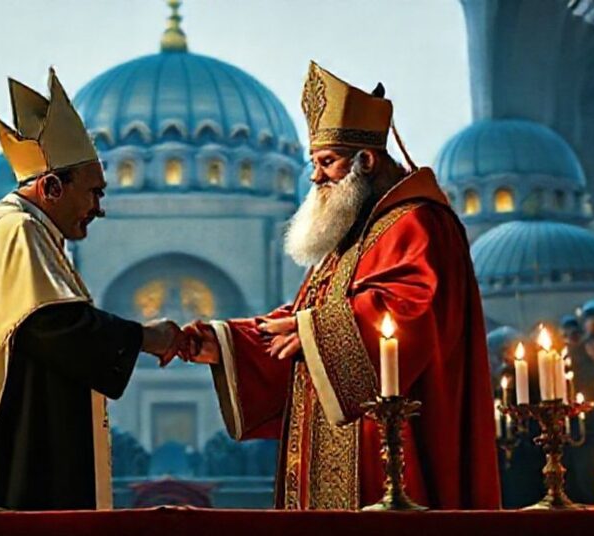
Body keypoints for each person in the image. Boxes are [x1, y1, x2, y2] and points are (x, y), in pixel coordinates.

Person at [177, 63, 500, 510]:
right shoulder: (351, 236)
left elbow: (410, 313)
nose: (315, 178)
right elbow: (302, 317)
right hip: (329, 436)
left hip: (387, 440)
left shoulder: (418, 222)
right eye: (313, 164)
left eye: (326, 163)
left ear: (365, 162)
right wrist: (228, 341)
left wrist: (313, 333)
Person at [0, 68, 185, 512]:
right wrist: (147, 338)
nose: (99, 209)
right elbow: (52, 325)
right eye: (93, 193)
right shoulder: (17, 230)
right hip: (12, 439)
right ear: (52, 186)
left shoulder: (19, 228)